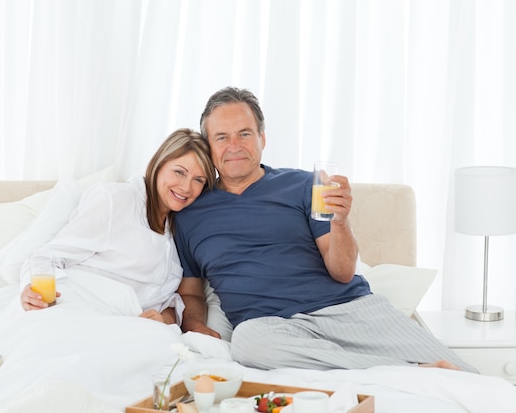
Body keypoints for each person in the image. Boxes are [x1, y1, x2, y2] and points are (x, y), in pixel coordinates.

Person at [173, 87, 478, 372]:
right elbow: (191, 292)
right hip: (270, 328)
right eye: (222, 137)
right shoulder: (191, 212)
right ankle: (404, 373)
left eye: (244, 133)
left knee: (466, 379)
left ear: (262, 139)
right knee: (247, 343)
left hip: (351, 312)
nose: (234, 146)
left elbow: (343, 272)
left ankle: (392, 370)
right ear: (208, 146)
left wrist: (341, 221)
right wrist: (197, 327)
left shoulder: (306, 185)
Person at [20, 128, 215, 325]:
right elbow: (49, 256)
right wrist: (32, 290)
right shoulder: (117, 199)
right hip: (83, 310)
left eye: (198, 180)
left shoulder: (178, 229)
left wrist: (163, 319)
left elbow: (166, 300)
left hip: (129, 325)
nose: (186, 187)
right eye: (179, 172)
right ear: (159, 165)